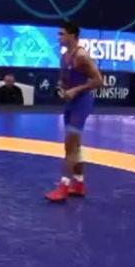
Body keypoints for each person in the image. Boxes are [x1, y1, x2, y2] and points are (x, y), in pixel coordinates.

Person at [47, 21, 102, 203]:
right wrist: (63, 87)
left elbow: (98, 81)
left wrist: (76, 90)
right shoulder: (64, 57)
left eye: (61, 34)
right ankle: (78, 184)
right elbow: (65, 80)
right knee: (75, 146)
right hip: (71, 103)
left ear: (72, 36)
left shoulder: (82, 56)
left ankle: (63, 187)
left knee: (70, 145)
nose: (59, 37)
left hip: (82, 103)